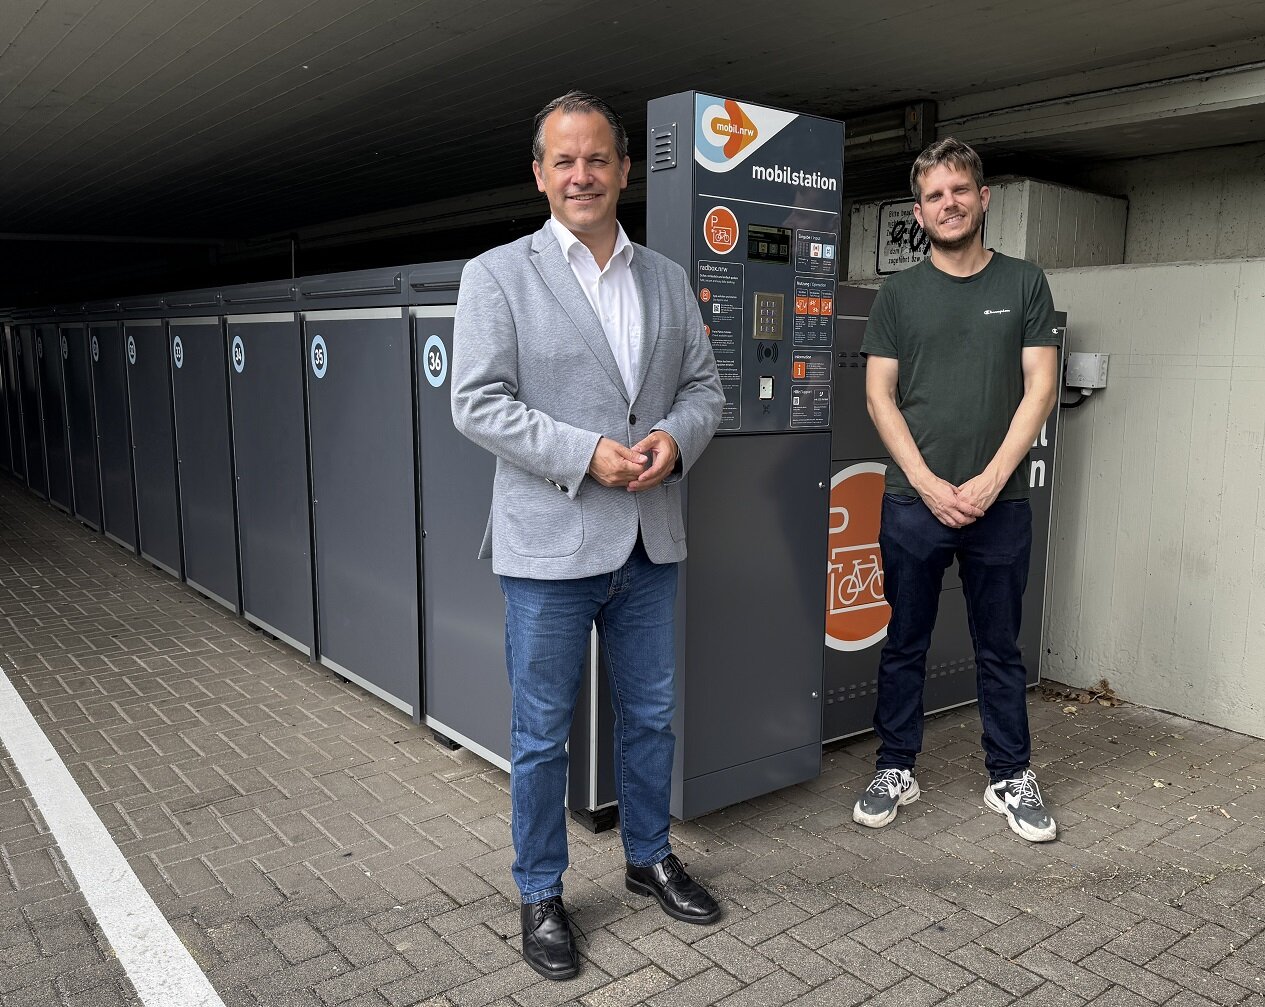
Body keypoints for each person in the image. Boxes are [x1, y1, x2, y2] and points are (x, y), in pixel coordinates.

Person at [450, 91, 725, 981]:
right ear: (539, 174)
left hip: (649, 540)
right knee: (540, 734)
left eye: (597, 158)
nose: (581, 174)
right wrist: (585, 453)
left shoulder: (667, 279)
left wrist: (672, 442)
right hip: (549, 545)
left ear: (623, 169)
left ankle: (647, 858)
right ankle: (540, 892)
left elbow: (703, 391)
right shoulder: (497, 274)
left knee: (648, 715)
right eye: (563, 160)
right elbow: (477, 402)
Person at [852, 138, 1061, 843]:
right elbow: (879, 396)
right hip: (914, 504)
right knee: (904, 640)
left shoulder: (1025, 283)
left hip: (997, 506)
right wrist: (928, 482)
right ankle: (894, 765)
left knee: (997, 646)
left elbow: (1040, 386)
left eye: (959, 190)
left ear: (983, 197)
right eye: (935, 195)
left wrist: (990, 477)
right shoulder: (900, 294)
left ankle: (1009, 773)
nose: (949, 203)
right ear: (920, 210)